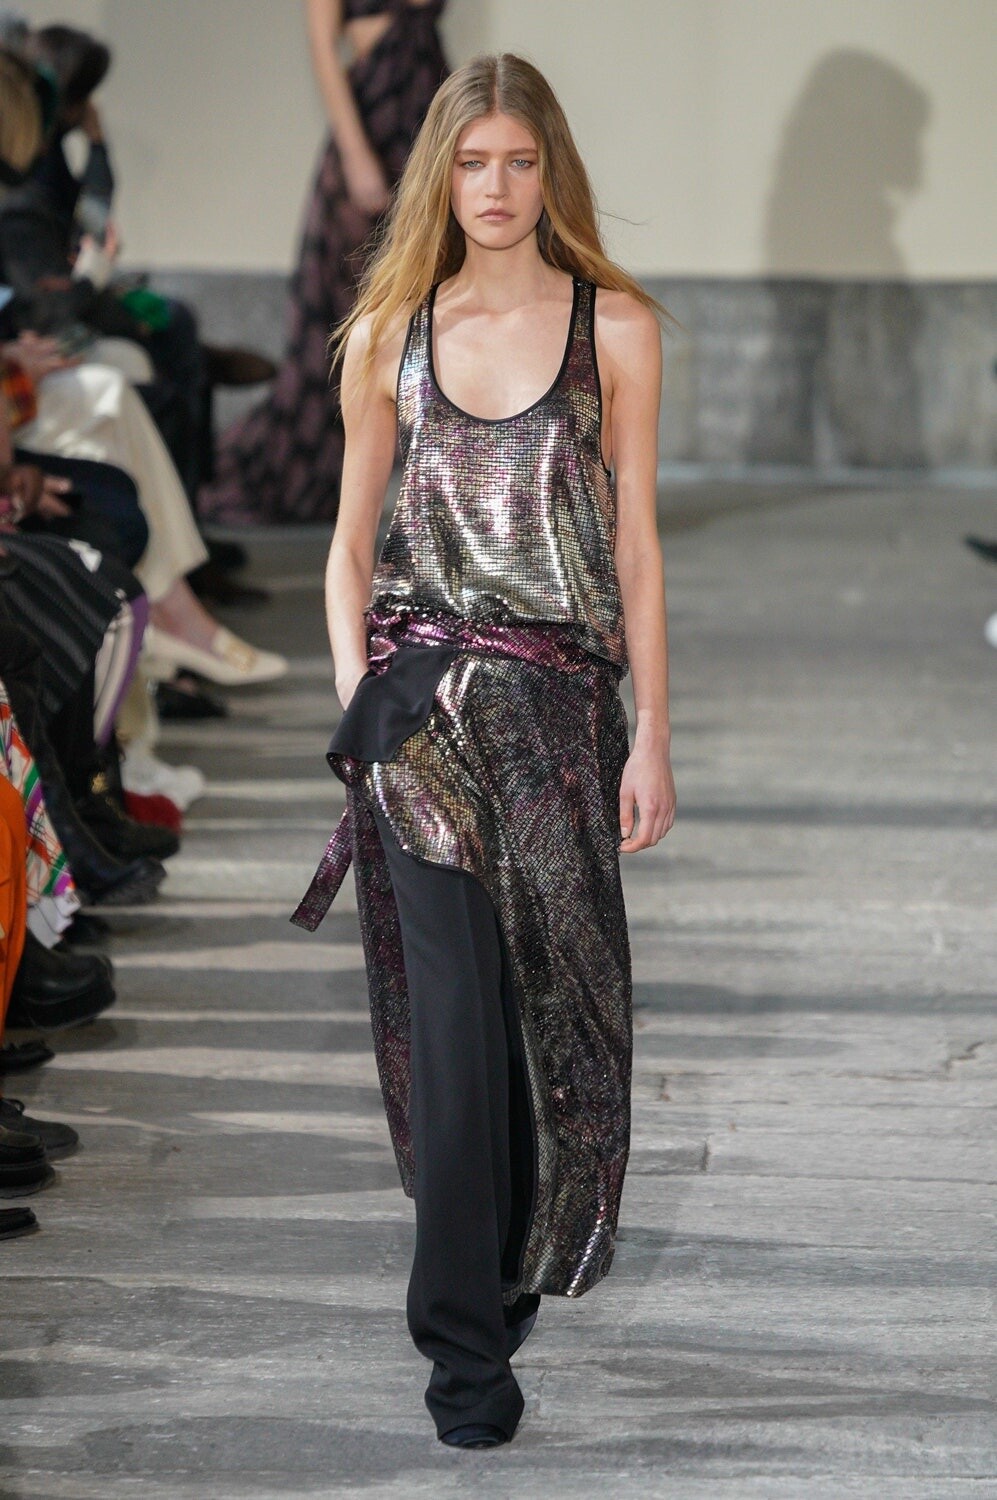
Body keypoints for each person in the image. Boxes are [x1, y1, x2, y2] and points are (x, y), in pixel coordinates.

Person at [293, 54, 676, 1448]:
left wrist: (654, 735)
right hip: (420, 718)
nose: (496, 187)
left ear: (549, 170)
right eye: (471, 163)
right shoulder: (389, 332)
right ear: (439, 177)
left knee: (562, 1017)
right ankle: (461, 1352)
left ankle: (507, 1265)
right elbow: (346, 549)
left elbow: (635, 547)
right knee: (455, 1032)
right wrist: (367, 712)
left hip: (561, 720)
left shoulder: (614, 328)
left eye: (519, 161)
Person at [198, 0, 448, 526]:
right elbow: (322, 47)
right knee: (344, 321)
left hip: (426, 123)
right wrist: (356, 154)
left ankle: (424, 479)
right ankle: (330, 480)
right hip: (373, 122)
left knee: (425, 309)